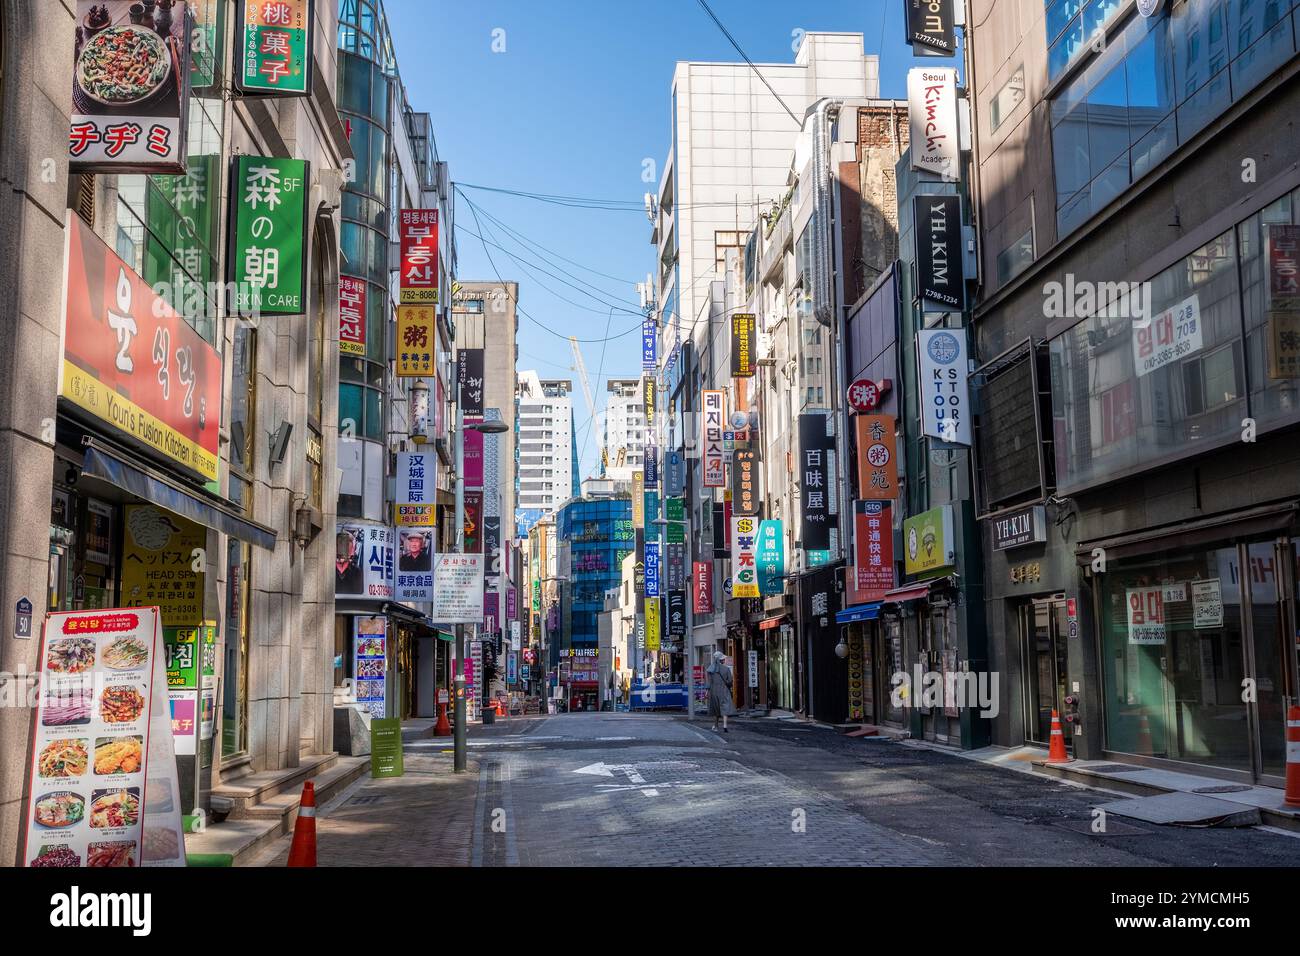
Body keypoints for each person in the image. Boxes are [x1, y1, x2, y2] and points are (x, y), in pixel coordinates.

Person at [706, 650, 734, 733]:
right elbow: (730, 681)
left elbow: (709, 682)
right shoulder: (726, 669)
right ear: (721, 660)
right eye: (723, 659)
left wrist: (707, 692)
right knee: (725, 707)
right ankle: (725, 725)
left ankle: (716, 725)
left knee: (716, 709)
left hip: (714, 691)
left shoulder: (710, 669)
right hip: (724, 690)